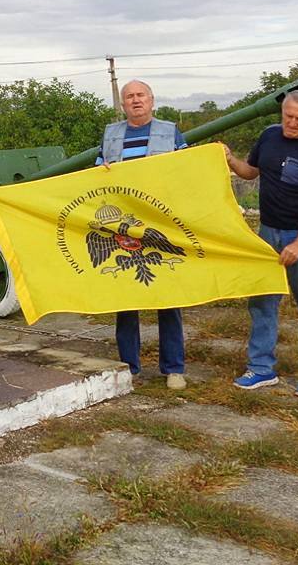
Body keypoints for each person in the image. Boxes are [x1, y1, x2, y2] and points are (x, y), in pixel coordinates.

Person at [223, 89, 298, 398]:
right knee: (262, 302)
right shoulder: (270, 136)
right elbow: (251, 173)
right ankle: (261, 369)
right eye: (287, 116)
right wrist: (231, 160)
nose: (292, 123)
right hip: (267, 233)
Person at [95, 80, 189, 389]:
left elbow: (188, 169)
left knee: (169, 297)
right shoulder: (111, 134)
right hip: (123, 223)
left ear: (151, 100)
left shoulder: (170, 131)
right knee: (126, 298)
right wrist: (102, 169)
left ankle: (173, 367)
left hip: (160, 223)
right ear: (122, 105)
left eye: (140, 95)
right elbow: (97, 171)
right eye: (129, 97)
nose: (135, 101)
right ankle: (129, 366)